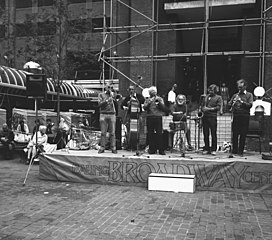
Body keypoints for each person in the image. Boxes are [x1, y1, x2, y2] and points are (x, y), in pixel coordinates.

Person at [228, 79, 253, 156]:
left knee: (243, 134)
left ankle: (240, 151)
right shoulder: (235, 95)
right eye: (238, 87)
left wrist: (241, 102)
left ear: (245, 86)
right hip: (236, 115)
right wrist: (232, 103)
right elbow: (229, 104)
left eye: (241, 87)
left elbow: (250, 105)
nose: (239, 89)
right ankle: (234, 150)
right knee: (235, 134)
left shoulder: (249, 95)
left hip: (244, 116)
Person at [143, 86, 167, 155]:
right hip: (150, 117)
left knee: (159, 133)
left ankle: (161, 149)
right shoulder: (147, 99)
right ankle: (152, 149)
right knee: (150, 133)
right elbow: (144, 107)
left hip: (158, 117)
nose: (153, 93)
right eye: (151, 92)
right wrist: (149, 102)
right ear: (150, 93)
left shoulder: (160, 99)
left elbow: (164, 108)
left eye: (154, 92)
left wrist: (159, 103)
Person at [121, 85, 145, 150]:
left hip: (138, 115)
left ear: (134, 90)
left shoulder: (139, 96)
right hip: (130, 115)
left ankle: (138, 144)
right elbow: (122, 105)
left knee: (139, 130)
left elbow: (143, 102)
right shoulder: (128, 97)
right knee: (130, 131)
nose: (131, 91)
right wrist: (125, 107)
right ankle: (130, 145)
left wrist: (135, 100)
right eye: (130, 89)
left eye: (132, 89)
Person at [200, 84, 222, 155]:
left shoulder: (218, 97)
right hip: (205, 117)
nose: (210, 91)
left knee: (213, 133)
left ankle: (213, 149)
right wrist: (202, 109)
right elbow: (202, 105)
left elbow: (218, 107)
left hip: (212, 117)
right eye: (209, 90)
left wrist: (208, 109)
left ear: (215, 91)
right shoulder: (206, 97)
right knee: (205, 133)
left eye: (212, 90)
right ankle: (206, 148)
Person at [98, 84, 118, 154]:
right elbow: (99, 104)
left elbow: (117, 101)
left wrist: (113, 95)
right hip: (103, 114)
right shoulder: (101, 95)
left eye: (111, 88)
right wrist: (106, 100)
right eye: (108, 87)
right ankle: (102, 147)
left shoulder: (113, 95)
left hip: (112, 114)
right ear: (105, 88)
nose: (110, 89)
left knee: (112, 133)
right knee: (103, 132)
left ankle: (113, 147)